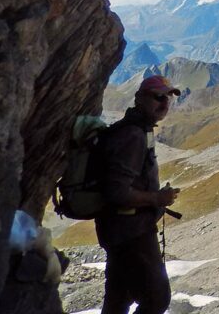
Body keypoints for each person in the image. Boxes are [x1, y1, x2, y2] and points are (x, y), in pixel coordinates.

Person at [95, 74, 182, 314]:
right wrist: (157, 199)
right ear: (140, 99)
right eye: (158, 97)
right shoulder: (133, 135)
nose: (164, 104)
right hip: (131, 233)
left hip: (121, 230)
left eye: (168, 98)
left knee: (118, 298)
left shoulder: (137, 130)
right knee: (157, 298)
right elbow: (116, 191)